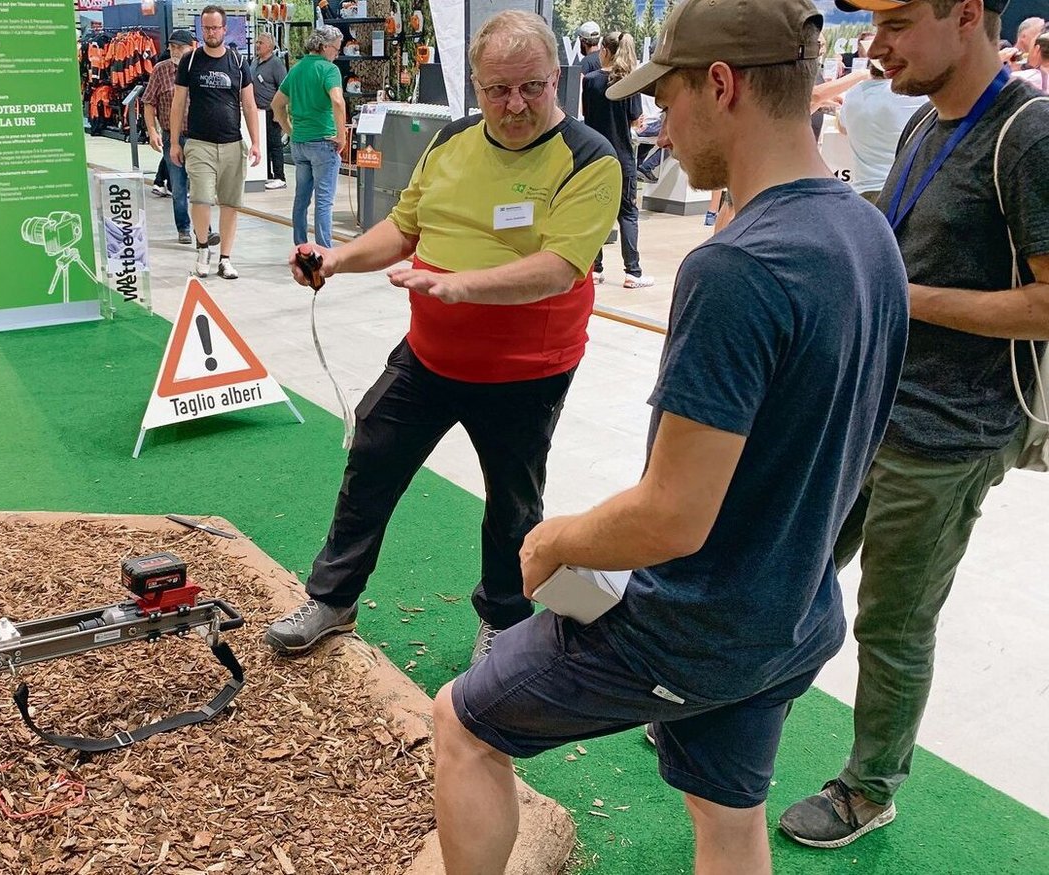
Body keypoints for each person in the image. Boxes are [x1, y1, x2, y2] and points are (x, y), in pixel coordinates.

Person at [430, 0, 910, 871]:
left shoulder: (735, 268)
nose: (658, 124)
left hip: (695, 629)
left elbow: (671, 517)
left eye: (669, 97)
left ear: (719, 85)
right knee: (727, 814)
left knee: (461, 724)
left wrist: (554, 539)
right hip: (796, 613)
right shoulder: (868, 233)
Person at [265, 11, 622, 664]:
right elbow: (403, 228)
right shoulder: (454, 140)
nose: (514, 105)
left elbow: (558, 268)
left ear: (557, 78)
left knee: (513, 502)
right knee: (371, 458)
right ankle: (333, 598)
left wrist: (462, 285)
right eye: (497, 90)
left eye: (531, 88)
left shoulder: (591, 160)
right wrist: (336, 259)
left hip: (526, 369)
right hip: (431, 355)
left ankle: (504, 620)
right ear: (477, 86)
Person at [779, 0, 1049, 849]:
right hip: (870, 404)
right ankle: (741, 700)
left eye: (896, 22)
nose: (876, 44)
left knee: (893, 619)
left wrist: (904, 296)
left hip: (953, 430)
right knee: (798, 566)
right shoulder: (925, 124)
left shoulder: (1029, 134)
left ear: (967, 14)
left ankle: (869, 786)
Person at [170, 5, 262, 279]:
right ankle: (202, 249)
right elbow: (178, 103)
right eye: (206, 28)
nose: (210, 32)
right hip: (199, 144)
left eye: (215, 28)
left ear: (224, 29)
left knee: (231, 203)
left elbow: (248, 103)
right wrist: (175, 142)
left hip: (233, 144)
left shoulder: (237, 61)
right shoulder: (190, 62)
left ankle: (225, 258)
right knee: (200, 199)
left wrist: (255, 142)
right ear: (202, 30)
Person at [581, 32, 654, 288]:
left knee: (595, 214)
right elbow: (636, 121)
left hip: (594, 159)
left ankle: (595, 268)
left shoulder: (589, 81)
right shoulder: (629, 83)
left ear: (604, 50)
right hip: (622, 158)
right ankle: (632, 272)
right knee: (628, 214)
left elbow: (586, 116)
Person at [272, 27, 347, 248]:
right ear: (325, 47)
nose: (337, 53)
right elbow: (338, 101)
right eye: (336, 48)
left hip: (300, 143)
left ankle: (301, 246)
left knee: (301, 198)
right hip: (324, 142)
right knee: (324, 201)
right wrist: (341, 136)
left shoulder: (296, 69)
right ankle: (324, 251)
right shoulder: (329, 70)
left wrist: (289, 130)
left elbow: (277, 104)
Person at [837, 60, 927, 198]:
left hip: (863, 192)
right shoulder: (914, 96)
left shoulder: (853, 93)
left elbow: (842, 127)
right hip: (901, 192)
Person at [143, 29, 199, 244]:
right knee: (178, 185)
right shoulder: (161, 70)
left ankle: (204, 229)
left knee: (201, 186)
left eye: (180, 47)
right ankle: (183, 227)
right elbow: (149, 102)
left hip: (197, 137)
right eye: (172, 46)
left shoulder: (199, 68)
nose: (175, 50)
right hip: (171, 137)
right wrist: (152, 131)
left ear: (190, 47)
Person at [252, 33, 289, 189]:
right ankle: (267, 175)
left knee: (275, 144)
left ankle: (280, 177)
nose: (257, 45)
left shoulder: (276, 64)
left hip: (270, 111)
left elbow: (285, 89)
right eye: (256, 42)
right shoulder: (254, 62)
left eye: (260, 42)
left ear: (270, 46)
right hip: (257, 113)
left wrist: (280, 113)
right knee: (263, 145)